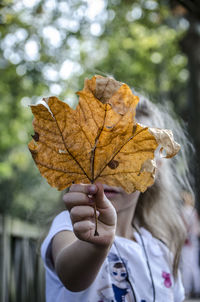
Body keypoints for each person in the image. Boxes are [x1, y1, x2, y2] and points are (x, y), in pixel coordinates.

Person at [41, 95, 194, 302]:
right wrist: (96, 246)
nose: (113, 167)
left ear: (154, 170)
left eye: (132, 155)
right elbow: (72, 275)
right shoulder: (72, 228)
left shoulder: (160, 249)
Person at [180, 191, 200, 298]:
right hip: (194, 241)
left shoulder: (183, 211)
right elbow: (197, 230)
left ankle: (186, 289)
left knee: (187, 266)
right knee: (194, 266)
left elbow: (182, 227)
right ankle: (197, 288)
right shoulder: (194, 211)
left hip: (186, 242)